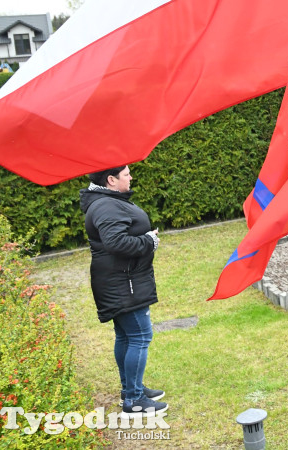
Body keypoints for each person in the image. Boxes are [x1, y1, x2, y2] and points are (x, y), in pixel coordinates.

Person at [81, 165, 167, 416]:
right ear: (111, 179)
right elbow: (115, 242)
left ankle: (132, 388)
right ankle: (134, 399)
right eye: (126, 174)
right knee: (140, 335)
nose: (131, 177)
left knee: (126, 336)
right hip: (122, 283)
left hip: (121, 280)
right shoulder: (106, 205)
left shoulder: (107, 201)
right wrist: (148, 241)